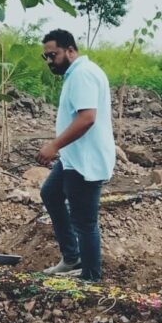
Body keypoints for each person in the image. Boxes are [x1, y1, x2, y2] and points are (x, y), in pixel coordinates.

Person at [36, 29, 115, 282]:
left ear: (70, 50)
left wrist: (54, 146)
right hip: (74, 158)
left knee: (84, 220)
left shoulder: (82, 75)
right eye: (46, 56)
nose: (50, 61)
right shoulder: (76, 74)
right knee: (50, 193)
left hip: (86, 161)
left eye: (54, 55)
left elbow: (87, 118)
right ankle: (72, 258)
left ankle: (91, 277)